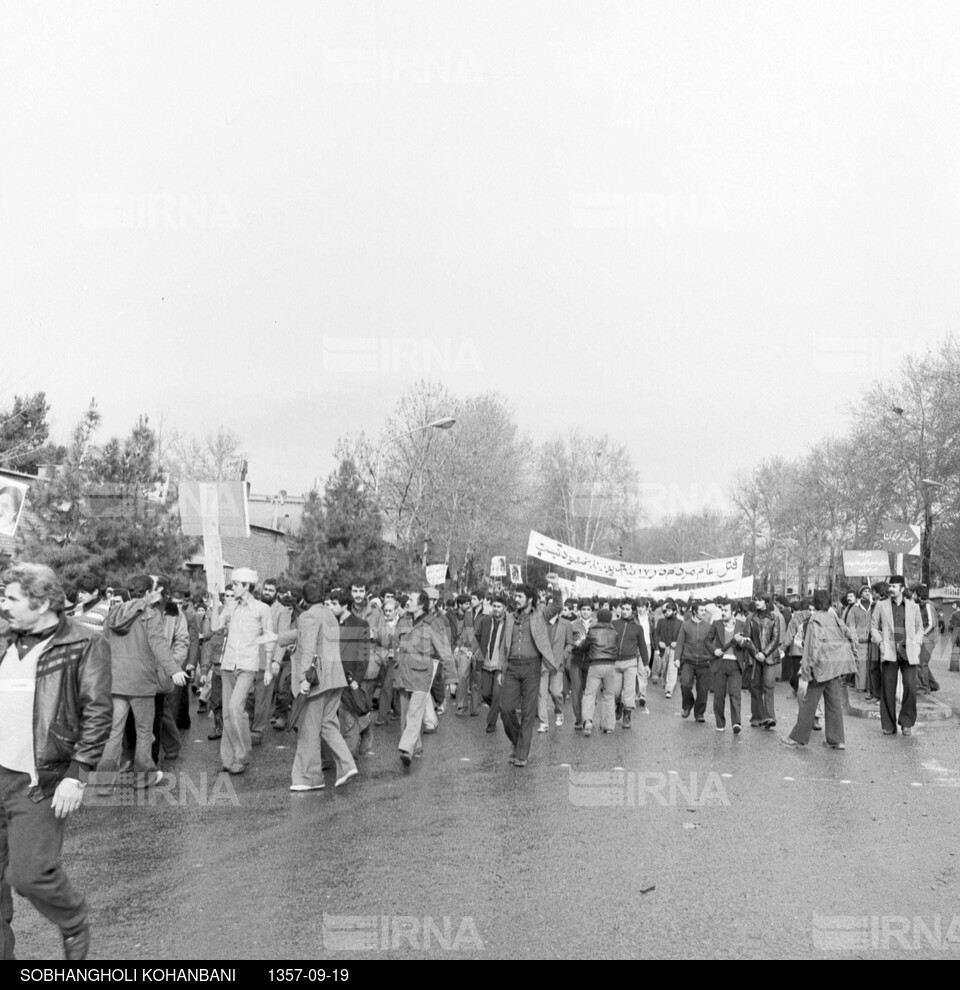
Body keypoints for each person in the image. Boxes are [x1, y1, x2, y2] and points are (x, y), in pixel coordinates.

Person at [0, 562, 112, 961]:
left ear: (44, 601)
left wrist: (77, 775)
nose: (4, 604)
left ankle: (73, 919)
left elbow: (97, 712)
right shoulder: (3, 638)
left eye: (12, 597)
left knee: (29, 874)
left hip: (40, 780)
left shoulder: (84, 643)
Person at [95, 574, 186, 792]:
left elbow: (103, 643)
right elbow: (159, 645)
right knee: (145, 731)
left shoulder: (114, 612)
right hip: (142, 681)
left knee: (114, 732)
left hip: (116, 679)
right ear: (147, 592)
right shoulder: (150, 614)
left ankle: (104, 783)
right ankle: (144, 778)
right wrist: (174, 670)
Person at [289, 581, 356, 790]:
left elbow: (308, 649)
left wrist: (303, 680)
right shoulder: (330, 615)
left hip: (317, 679)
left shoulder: (307, 617)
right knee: (328, 724)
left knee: (309, 729)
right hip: (335, 678)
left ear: (304, 599)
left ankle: (309, 778)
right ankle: (347, 765)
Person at [211, 568, 276, 774]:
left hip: (248, 666)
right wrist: (215, 601)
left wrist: (268, 666)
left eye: (237, 584)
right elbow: (215, 627)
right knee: (230, 714)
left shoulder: (262, 608)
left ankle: (241, 755)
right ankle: (229, 760)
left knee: (234, 709)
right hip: (228, 665)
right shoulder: (230, 606)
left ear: (247, 586)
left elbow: (269, 636)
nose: (234, 587)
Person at [781, 590, 858, 749]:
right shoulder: (833, 616)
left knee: (808, 702)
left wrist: (807, 668)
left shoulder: (815, 619)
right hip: (835, 664)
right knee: (834, 702)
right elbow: (849, 633)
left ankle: (798, 737)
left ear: (814, 603)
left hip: (821, 666)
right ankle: (837, 740)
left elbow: (813, 646)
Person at [500, 583, 560, 765]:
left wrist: (556, 586)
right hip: (511, 668)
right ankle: (518, 741)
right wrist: (500, 670)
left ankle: (522, 755)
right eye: (515, 596)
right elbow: (504, 645)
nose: (516, 599)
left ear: (530, 599)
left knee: (528, 712)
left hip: (532, 667)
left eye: (520, 596)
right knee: (506, 709)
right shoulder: (510, 618)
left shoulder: (540, 615)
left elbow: (557, 605)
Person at [395, 591, 454, 767]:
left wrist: (451, 678)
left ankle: (406, 748)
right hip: (403, 673)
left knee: (414, 713)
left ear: (421, 604)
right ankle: (416, 746)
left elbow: (444, 650)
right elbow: (394, 642)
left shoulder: (433, 623)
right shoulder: (404, 620)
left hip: (421, 673)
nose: (407, 602)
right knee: (404, 715)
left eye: (411, 600)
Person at [870, 575, 924, 736]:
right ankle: (888, 725)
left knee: (910, 687)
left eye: (894, 586)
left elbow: (920, 628)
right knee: (887, 688)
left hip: (909, 653)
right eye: (890, 586)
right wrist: (880, 642)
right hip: (889, 652)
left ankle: (906, 722)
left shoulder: (913, 607)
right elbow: (873, 626)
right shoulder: (880, 605)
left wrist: (918, 643)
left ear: (902, 589)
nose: (890, 589)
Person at [705, 598, 753, 733]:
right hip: (719, 663)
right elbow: (707, 641)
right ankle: (720, 723)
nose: (723, 612)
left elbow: (748, 643)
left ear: (734, 612)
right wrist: (714, 650)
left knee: (735, 694)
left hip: (735, 665)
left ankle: (736, 723)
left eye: (726, 610)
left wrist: (741, 642)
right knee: (719, 695)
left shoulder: (742, 625)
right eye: (722, 610)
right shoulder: (716, 624)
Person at [575, 607, 619, 735]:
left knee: (589, 694)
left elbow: (584, 647)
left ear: (598, 618)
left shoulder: (592, 631)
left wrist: (579, 644)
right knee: (608, 695)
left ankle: (588, 720)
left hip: (595, 664)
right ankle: (609, 725)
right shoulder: (614, 633)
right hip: (610, 665)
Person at [744, 593, 781, 729]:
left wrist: (764, 653)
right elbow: (746, 638)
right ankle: (757, 717)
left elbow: (775, 639)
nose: (757, 602)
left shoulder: (774, 618)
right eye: (756, 600)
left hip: (769, 657)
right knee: (755, 687)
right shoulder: (750, 618)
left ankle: (770, 717)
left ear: (766, 602)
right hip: (754, 657)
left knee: (768, 686)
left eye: (760, 600)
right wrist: (755, 653)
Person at [611, 598, 648, 729]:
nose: (625, 611)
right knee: (615, 691)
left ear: (632, 611)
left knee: (629, 691)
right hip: (615, 662)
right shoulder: (614, 624)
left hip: (630, 662)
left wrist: (646, 664)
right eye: (623, 609)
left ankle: (627, 714)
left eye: (628, 609)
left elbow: (643, 646)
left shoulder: (638, 628)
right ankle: (618, 704)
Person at [674, 600, 713, 722]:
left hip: (704, 662)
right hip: (688, 661)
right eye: (701, 610)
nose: (704, 612)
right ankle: (687, 705)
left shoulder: (708, 626)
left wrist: (713, 658)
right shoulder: (685, 625)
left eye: (704, 610)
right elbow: (680, 643)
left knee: (702, 690)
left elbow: (712, 644)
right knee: (685, 684)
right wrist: (676, 658)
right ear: (695, 611)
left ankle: (699, 713)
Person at [475, 596, 508, 734]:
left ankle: (491, 723)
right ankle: (498, 708)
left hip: (500, 665)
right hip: (486, 663)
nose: (496, 609)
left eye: (499, 606)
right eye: (494, 606)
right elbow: (477, 636)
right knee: (485, 693)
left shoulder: (509, 623)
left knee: (496, 694)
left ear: (504, 608)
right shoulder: (485, 621)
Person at [655, 600, 682, 699]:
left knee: (672, 669)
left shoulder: (680, 623)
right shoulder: (661, 621)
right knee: (664, 669)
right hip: (663, 649)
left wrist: (677, 643)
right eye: (666, 610)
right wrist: (658, 642)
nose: (667, 612)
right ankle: (665, 684)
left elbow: (683, 637)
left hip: (674, 649)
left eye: (669, 610)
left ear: (675, 611)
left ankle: (669, 689)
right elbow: (655, 634)